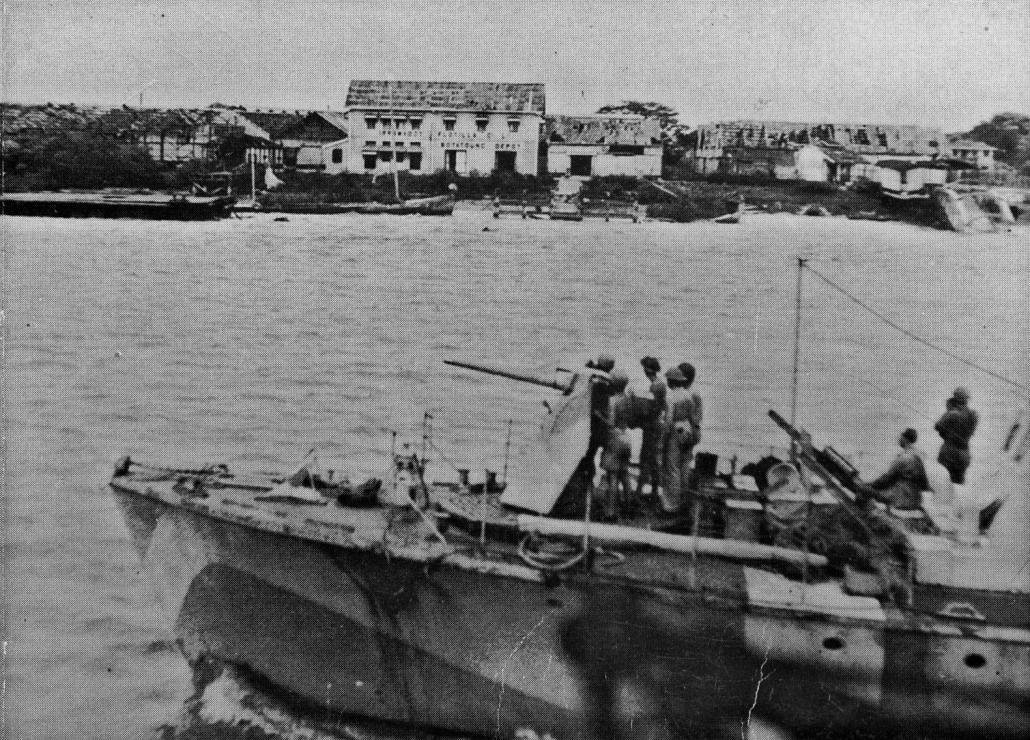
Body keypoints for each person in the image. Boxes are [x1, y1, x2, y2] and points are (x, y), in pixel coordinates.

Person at [662, 365, 703, 513]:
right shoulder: (688, 394)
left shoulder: (671, 396)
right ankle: (684, 500)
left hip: (676, 430)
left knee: (672, 467)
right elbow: (694, 417)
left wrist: (664, 437)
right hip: (688, 429)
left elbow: (669, 419)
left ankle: (672, 504)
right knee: (685, 466)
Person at [860, 428, 930, 511]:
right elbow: (924, 485)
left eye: (901, 437)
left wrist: (870, 485)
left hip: (901, 499)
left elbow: (886, 479)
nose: (899, 439)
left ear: (905, 439)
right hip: (917, 500)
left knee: (863, 489)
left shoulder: (904, 457)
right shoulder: (919, 457)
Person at [598, 369, 632, 520]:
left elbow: (611, 423)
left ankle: (610, 512)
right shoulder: (628, 399)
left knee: (612, 476)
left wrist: (599, 415)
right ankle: (629, 506)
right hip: (626, 437)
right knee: (624, 474)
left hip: (615, 439)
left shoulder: (612, 401)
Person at [935, 387, 978, 485]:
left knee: (941, 482)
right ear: (966, 400)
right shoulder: (974, 415)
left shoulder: (952, 414)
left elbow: (938, 426)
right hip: (964, 454)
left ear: (956, 398)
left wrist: (949, 409)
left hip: (949, 452)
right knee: (957, 484)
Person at [636, 380, 667, 501]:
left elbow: (643, 417)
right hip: (658, 438)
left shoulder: (651, 405)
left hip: (650, 438)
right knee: (655, 467)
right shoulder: (664, 404)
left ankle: (638, 492)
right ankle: (654, 492)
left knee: (645, 464)